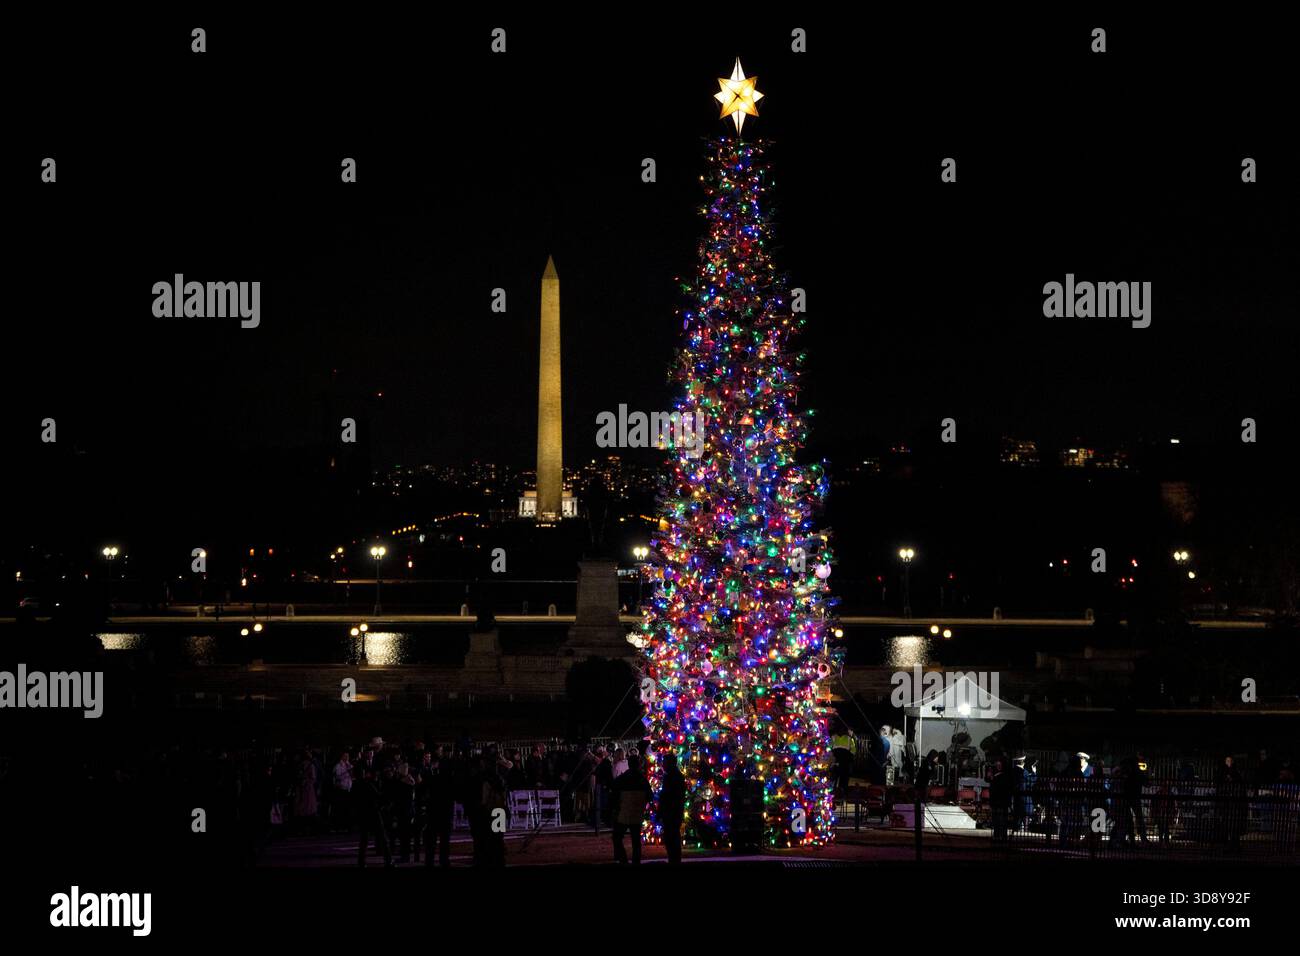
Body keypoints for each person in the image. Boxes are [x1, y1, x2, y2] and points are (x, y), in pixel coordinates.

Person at [611, 755, 652, 864]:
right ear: (639, 765)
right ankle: (636, 861)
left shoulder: (622, 778)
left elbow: (614, 794)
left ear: (629, 764)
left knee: (617, 837)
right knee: (635, 840)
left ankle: (623, 860)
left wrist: (615, 808)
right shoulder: (643, 780)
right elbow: (650, 796)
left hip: (623, 812)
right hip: (637, 813)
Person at [353, 766, 392, 867]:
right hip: (373, 814)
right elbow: (379, 797)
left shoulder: (356, 785)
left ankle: (361, 862)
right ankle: (388, 861)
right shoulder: (368, 785)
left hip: (363, 815)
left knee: (364, 841)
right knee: (383, 839)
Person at [658, 752, 687, 865]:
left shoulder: (670, 777)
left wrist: (661, 811)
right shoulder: (677, 776)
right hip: (675, 811)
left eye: (664, 762)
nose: (663, 765)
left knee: (671, 837)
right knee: (673, 836)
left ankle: (674, 860)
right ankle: (675, 859)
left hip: (671, 811)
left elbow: (666, 796)